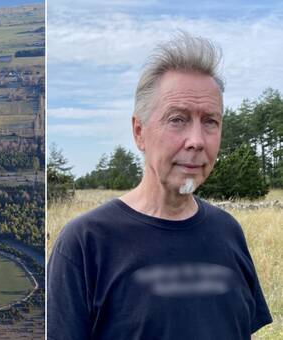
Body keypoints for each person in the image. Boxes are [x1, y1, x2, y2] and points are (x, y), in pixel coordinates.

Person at [47, 32, 272, 340]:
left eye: (210, 122)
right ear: (139, 132)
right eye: (177, 119)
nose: (196, 140)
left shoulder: (228, 231)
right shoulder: (87, 244)